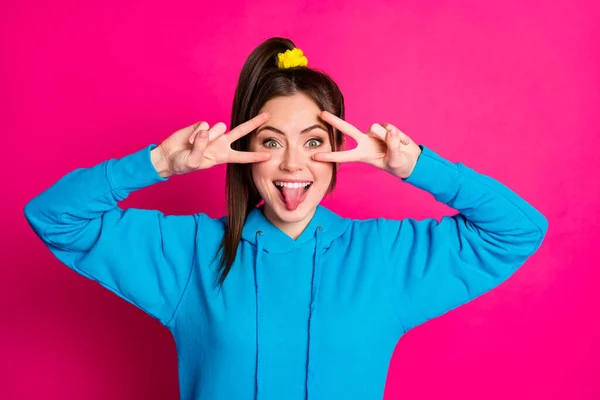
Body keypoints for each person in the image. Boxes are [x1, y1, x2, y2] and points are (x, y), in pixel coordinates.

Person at [24, 37, 548, 400]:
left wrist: (416, 167)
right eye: (271, 142)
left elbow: (518, 230)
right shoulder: (191, 254)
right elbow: (54, 217)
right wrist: (159, 163)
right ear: (244, 151)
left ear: (340, 151)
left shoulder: (384, 260)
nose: (293, 164)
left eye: (314, 143)